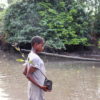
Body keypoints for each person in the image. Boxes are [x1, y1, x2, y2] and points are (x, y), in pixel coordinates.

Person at [23, 36, 49, 100]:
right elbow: (28, 75)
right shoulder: (36, 58)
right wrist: (40, 86)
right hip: (37, 90)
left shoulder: (30, 55)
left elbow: (24, 72)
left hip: (33, 88)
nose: (42, 48)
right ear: (36, 45)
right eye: (42, 45)